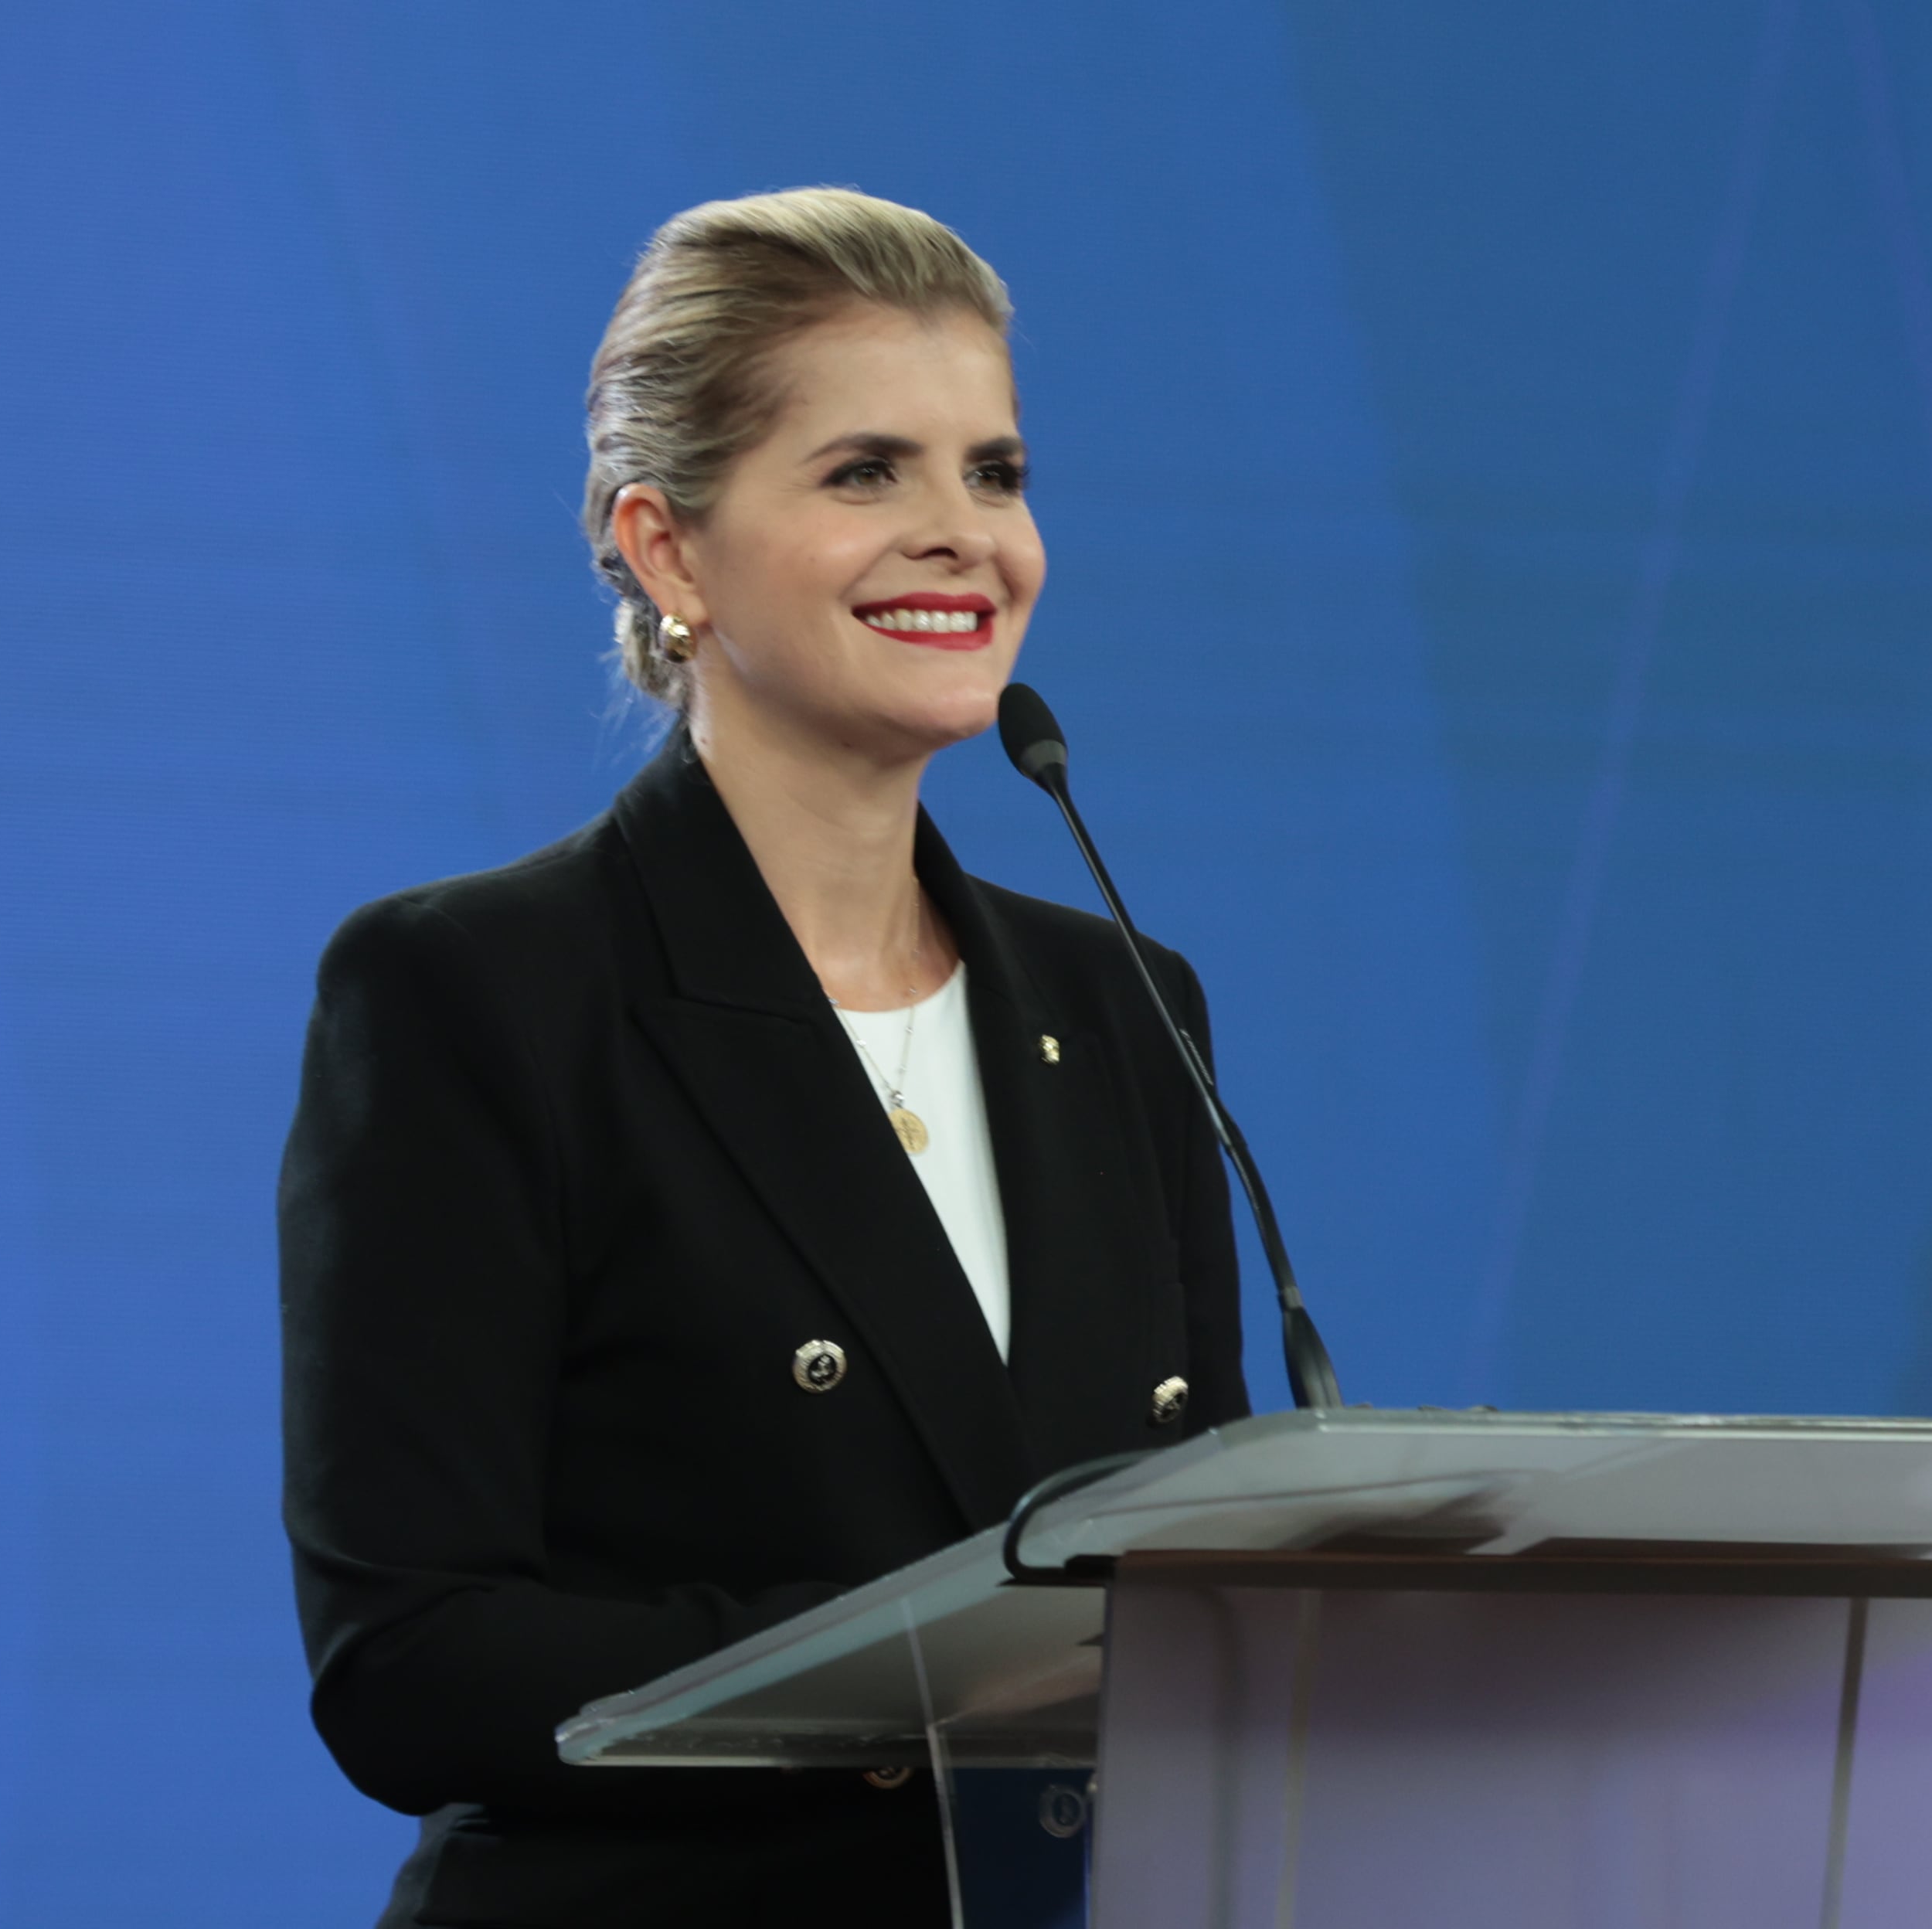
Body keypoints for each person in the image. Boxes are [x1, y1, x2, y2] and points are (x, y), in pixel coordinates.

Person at [279, 189, 1250, 1928]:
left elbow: (1199, 1594)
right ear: (669, 550)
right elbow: (411, 1661)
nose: (966, 536)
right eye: (866, 472)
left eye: (996, 472)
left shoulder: (1126, 1007)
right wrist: (934, 1676)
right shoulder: (475, 992)